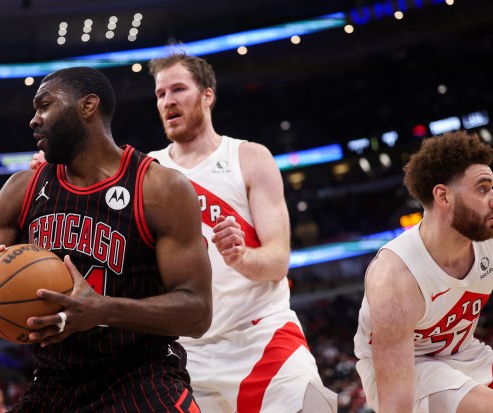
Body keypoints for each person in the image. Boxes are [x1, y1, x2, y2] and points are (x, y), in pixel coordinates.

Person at [0, 66, 212, 412]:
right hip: (53, 383)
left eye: (44, 105)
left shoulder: (159, 188)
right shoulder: (21, 189)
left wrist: (102, 309)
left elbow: (197, 312)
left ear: (88, 106)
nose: (33, 119)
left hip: (140, 378)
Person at [146, 53, 337, 412]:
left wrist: (241, 256)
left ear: (207, 95)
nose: (167, 100)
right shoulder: (149, 172)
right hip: (186, 352)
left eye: (178, 89)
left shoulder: (249, 157)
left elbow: (278, 261)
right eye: (160, 94)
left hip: (261, 337)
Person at [353, 130, 493, 412]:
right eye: (483, 189)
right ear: (443, 196)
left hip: (462, 353)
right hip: (405, 370)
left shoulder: (487, 239)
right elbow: (395, 404)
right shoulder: (395, 276)